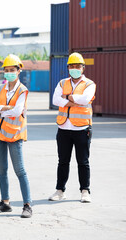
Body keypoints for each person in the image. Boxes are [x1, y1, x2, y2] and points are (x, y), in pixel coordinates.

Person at [0, 54, 32, 218]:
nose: (9, 73)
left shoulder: (22, 90)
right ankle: (5, 203)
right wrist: (4, 108)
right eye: (6, 70)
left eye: (12, 70)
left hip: (15, 136)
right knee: (1, 170)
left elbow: (17, 111)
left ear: (19, 71)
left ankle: (27, 205)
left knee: (20, 171)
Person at [49, 52, 96, 203]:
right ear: (68, 67)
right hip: (63, 128)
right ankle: (60, 190)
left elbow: (85, 99)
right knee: (62, 161)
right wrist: (74, 101)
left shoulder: (89, 84)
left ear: (83, 68)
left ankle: (85, 191)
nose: (74, 68)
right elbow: (55, 99)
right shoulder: (62, 83)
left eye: (77, 66)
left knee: (83, 161)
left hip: (82, 129)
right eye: (71, 66)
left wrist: (67, 97)